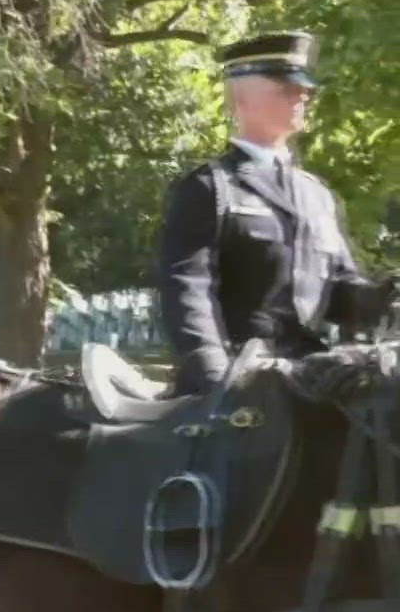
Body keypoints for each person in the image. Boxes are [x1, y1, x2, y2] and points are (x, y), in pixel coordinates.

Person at [157, 31, 390, 393]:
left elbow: (339, 295)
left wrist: (386, 297)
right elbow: (187, 291)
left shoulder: (317, 195)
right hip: (236, 385)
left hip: (310, 381)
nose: (303, 95)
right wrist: (218, 376)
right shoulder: (210, 187)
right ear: (243, 99)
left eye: (304, 88)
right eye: (286, 87)